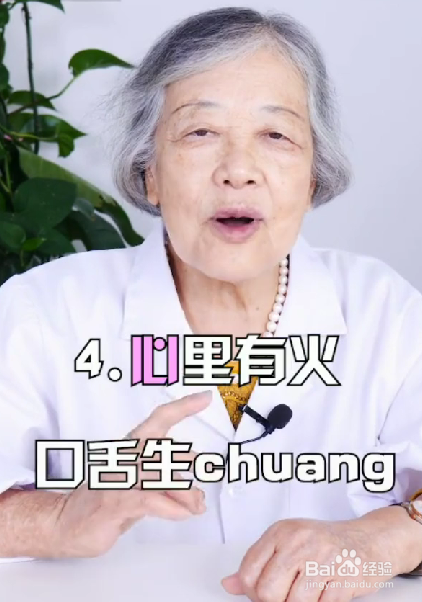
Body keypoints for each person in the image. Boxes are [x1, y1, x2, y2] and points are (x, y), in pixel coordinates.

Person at [0, 7, 422, 601]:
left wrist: (385, 539)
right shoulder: (41, 312)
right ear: (149, 173)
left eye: (276, 136)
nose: (238, 171)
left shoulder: (386, 311)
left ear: (312, 175)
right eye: (200, 133)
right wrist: (59, 520)